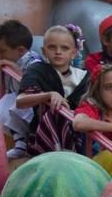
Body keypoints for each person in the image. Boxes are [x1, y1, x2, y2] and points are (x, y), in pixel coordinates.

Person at [15, 25, 89, 155]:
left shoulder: (84, 77)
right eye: (52, 47)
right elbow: (20, 101)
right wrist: (48, 95)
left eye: (64, 48)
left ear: (74, 53)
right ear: (44, 51)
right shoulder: (37, 70)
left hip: (78, 137)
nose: (58, 52)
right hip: (43, 135)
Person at [0, 19, 42, 159]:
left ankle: (24, 143)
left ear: (20, 50)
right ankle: (20, 143)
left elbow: (30, 87)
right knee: (5, 103)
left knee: (14, 102)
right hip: (19, 104)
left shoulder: (34, 62)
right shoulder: (14, 56)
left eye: (2, 51)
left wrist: (14, 69)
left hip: (35, 109)